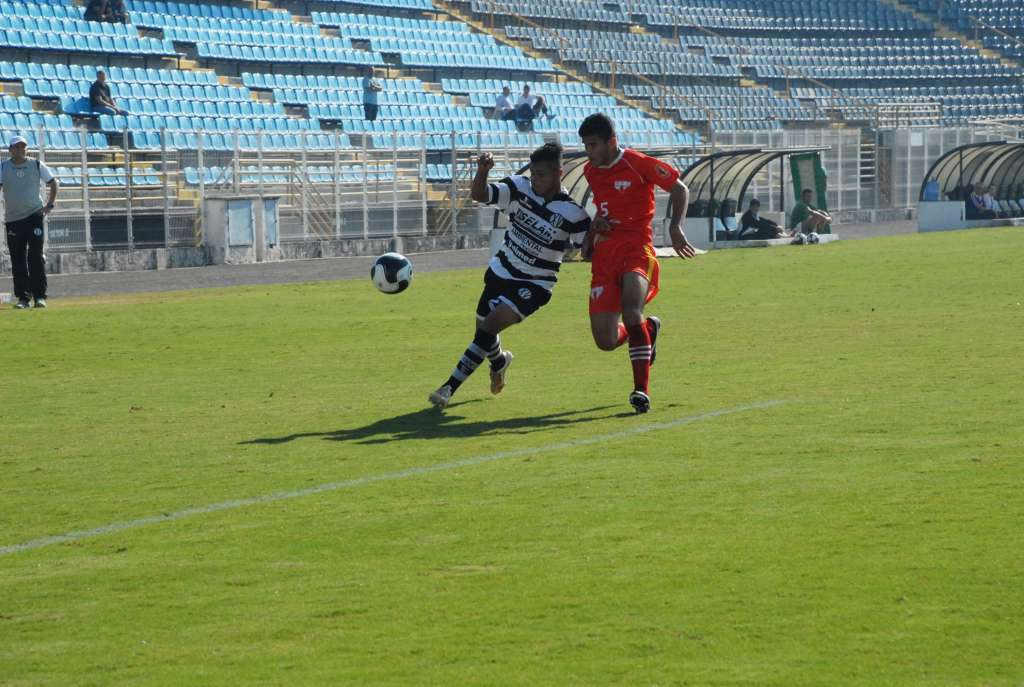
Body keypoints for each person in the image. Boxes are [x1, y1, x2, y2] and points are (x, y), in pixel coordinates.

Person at [428, 143, 591, 410]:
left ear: (559, 173)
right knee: (483, 332)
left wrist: (599, 232)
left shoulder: (573, 213)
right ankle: (499, 362)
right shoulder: (519, 187)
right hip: (500, 271)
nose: (536, 179)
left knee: (489, 327)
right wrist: (482, 171)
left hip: (534, 285)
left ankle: (449, 387)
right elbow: (480, 195)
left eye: (542, 175)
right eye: (534, 173)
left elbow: (588, 251)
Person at [577, 113, 694, 414]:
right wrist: (593, 230)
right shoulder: (591, 171)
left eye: (593, 145)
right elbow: (602, 210)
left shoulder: (638, 163)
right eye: (586, 145)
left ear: (611, 142)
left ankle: (641, 390)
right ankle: (648, 329)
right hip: (606, 255)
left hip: (637, 248)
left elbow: (680, 188)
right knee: (605, 340)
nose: (588, 152)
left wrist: (674, 227)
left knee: (631, 309)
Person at [2, 136, 58, 309]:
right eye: (17, 147)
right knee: (17, 260)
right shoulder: (3, 167)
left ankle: (40, 296)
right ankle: (23, 298)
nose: (20, 149)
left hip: (34, 217)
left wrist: (50, 204)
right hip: (13, 220)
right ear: (10, 149)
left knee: (35, 257)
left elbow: (53, 182)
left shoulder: (36, 164)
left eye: (23, 147)